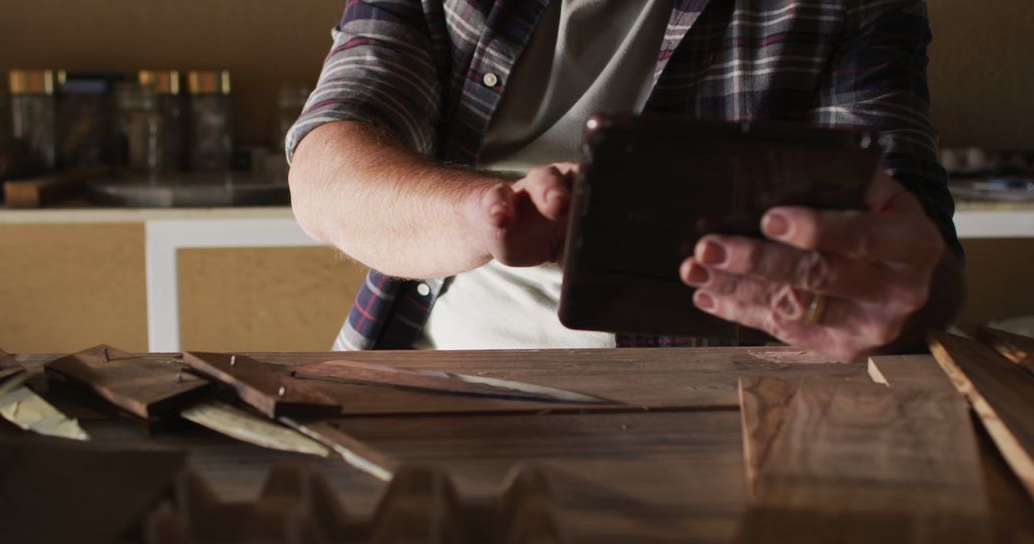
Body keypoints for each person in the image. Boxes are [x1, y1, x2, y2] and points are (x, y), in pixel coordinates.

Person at [286, 0, 964, 362]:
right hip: (429, 376)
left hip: (718, 410)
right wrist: (485, 216)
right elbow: (326, 168)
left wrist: (899, 293)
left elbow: (920, 245)